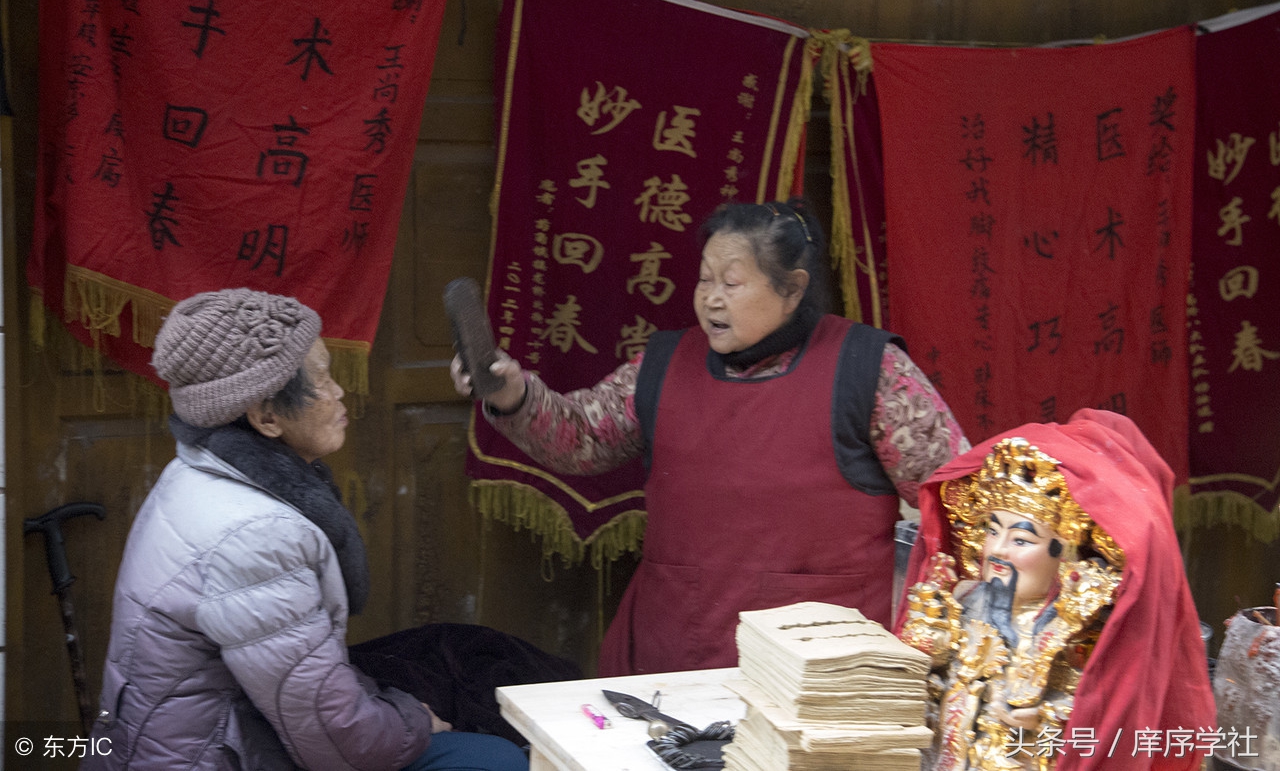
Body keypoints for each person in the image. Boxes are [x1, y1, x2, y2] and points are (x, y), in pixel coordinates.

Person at [452, 198, 970, 676]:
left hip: (823, 670)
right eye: (704, 280)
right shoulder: (664, 363)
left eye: (732, 282)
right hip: (677, 648)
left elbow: (959, 498)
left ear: (792, 288)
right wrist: (512, 394)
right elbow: (583, 437)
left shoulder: (871, 369)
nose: (711, 299)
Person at [85, 288, 528, 771]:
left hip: (206, 738)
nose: (339, 392)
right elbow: (336, 741)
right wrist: (416, 720)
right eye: (320, 378)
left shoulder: (193, 472)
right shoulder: (255, 534)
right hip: (211, 757)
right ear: (266, 417)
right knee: (493, 760)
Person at [896, 409, 1215, 771]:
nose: (998, 549)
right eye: (992, 530)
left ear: (1062, 553)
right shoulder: (963, 600)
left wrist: (1046, 718)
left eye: (1020, 539)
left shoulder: (1074, 628)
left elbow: (1103, 720)